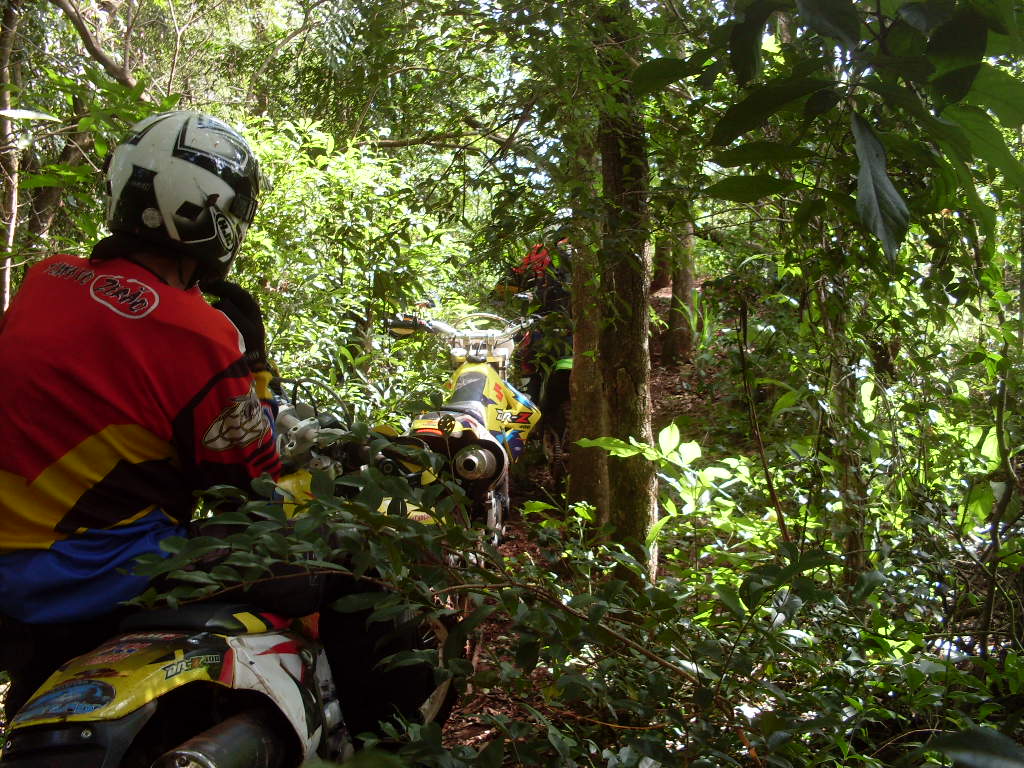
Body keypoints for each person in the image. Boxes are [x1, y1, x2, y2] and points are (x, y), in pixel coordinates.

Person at [0, 110, 283, 716]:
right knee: (317, 565)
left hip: (13, 570)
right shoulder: (201, 335)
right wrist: (255, 368)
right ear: (214, 213)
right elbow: (252, 483)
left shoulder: (46, 278)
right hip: (90, 577)